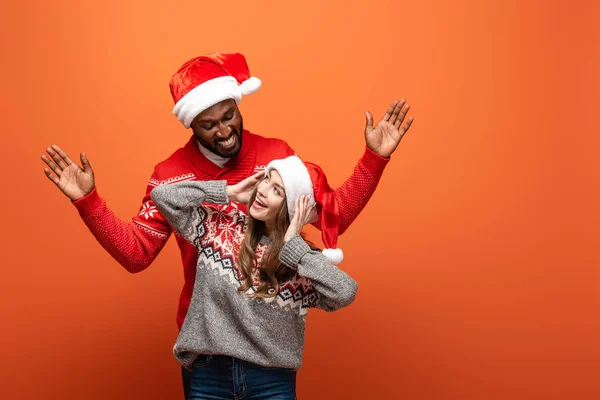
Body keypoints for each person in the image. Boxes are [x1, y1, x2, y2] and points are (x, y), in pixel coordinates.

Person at [40, 52, 414, 398]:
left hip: (270, 348)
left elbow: (336, 215)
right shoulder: (170, 175)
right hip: (207, 351)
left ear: (237, 105)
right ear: (192, 126)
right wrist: (87, 201)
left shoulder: (277, 157)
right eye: (208, 125)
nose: (223, 131)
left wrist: (374, 159)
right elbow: (136, 253)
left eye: (229, 116)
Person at [150, 154, 359, 399]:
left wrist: (294, 246)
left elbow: (345, 291)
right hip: (210, 377)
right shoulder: (218, 228)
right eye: (266, 180)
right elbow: (162, 197)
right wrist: (227, 192)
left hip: (272, 383)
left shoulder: (302, 262)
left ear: (292, 207)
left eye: (277, 191)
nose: (262, 190)